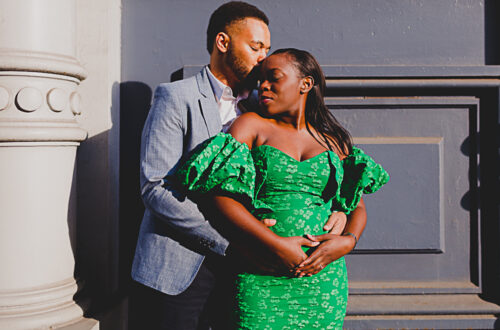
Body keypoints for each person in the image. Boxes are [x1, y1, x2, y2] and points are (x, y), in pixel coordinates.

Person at [130, 3, 346, 329]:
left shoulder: (267, 105)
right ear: (223, 42)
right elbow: (156, 188)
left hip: (254, 274)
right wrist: (235, 240)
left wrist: (339, 209)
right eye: (255, 46)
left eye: (268, 49)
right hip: (183, 265)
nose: (263, 57)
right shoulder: (177, 97)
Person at [174, 48, 390, 329]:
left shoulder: (334, 141)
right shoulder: (251, 125)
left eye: (273, 78)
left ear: (305, 84)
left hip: (322, 281)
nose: (263, 85)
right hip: (261, 270)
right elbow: (221, 198)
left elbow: (356, 205)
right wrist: (276, 245)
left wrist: (348, 240)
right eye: (260, 80)